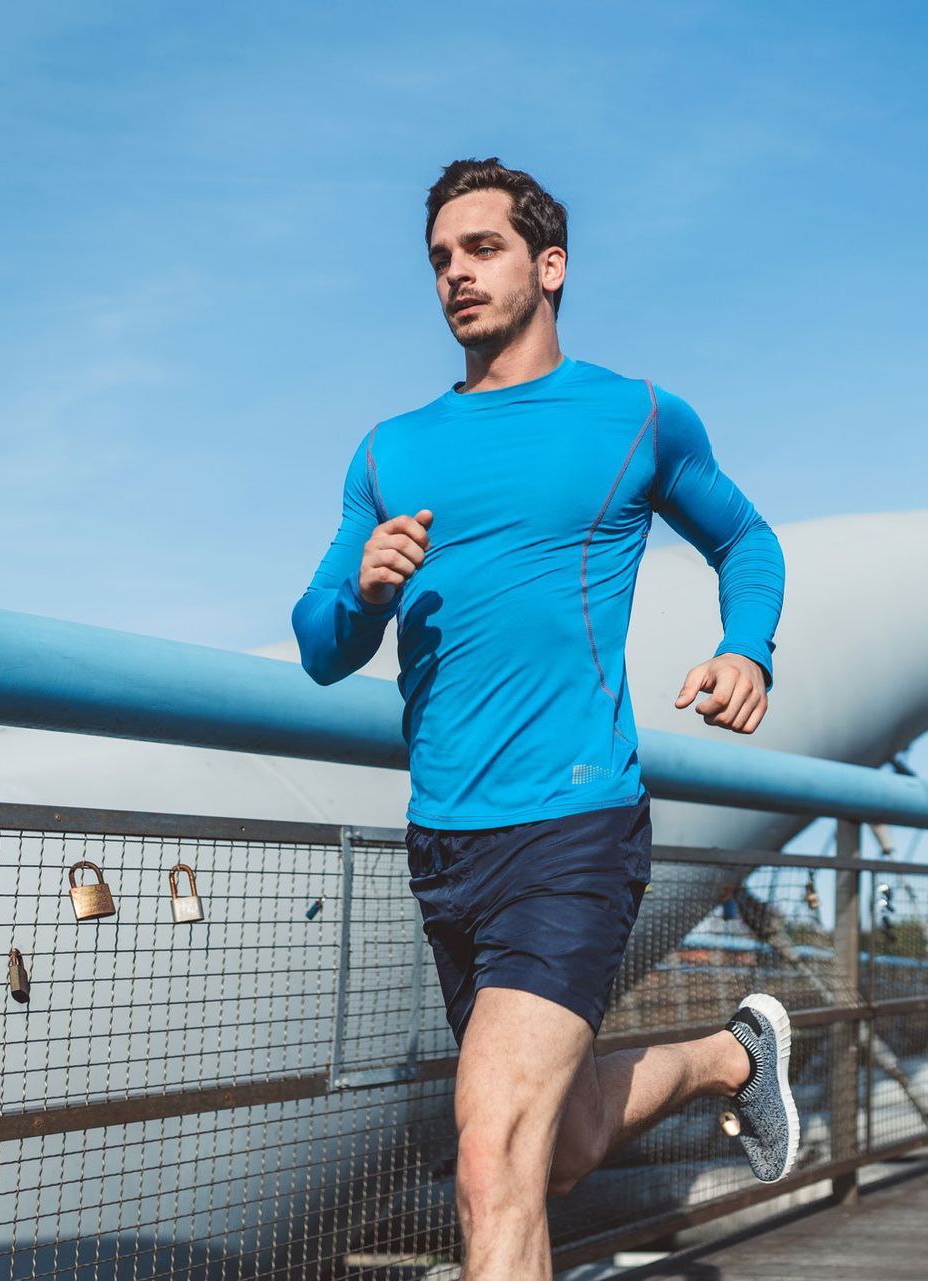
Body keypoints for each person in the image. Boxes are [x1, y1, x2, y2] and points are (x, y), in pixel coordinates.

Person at [292, 158, 795, 1280]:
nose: (455, 276)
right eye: (439, 259)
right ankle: (732, 1058)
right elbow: (320, 649)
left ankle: (729, 1062)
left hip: (575, 826)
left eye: (482, 249)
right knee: (549, 1148)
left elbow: (745, 539)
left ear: (548, 265)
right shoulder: (389, 451)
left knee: (491, 1159)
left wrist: (744, 649)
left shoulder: (636, 418)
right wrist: (360, 592)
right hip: (446, 843)